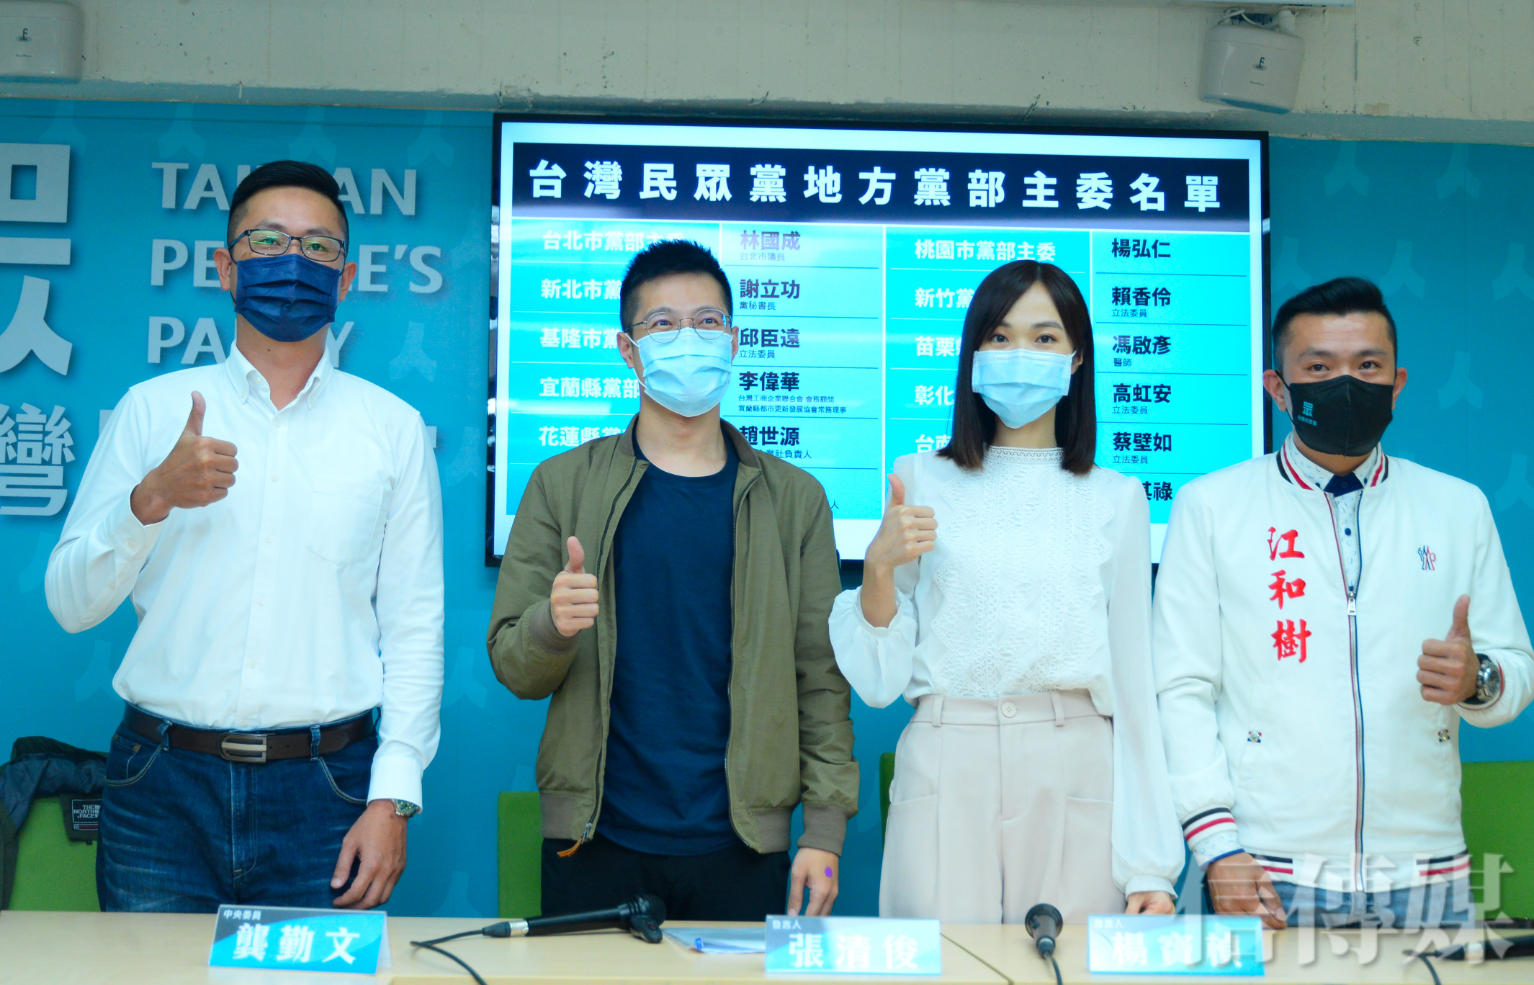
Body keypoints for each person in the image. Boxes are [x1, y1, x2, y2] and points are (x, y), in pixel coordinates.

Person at [45, 161, 444, 912]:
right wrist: (150, 499)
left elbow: (414, 629)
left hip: (328, 788)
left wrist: (393, 796)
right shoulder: (152, 409)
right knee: (149, 973)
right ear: (226, 267)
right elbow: (70, 604)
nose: (293, 261)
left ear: (346, 278)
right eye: (266, 241)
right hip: (160, 786)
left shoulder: (392, 428)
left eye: (318, 246)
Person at [486, 240, 857, 921]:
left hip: (744, 843)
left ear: (734, 342)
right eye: (663, 324)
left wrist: (824, 832)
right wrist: (552, 625)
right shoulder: (562, 485)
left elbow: (821, 677)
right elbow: (515, 666)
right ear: (629, 351)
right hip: (593, 838)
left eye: (707, 321)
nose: (689, 338)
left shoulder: (794, 499)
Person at [1155, 276, 1533, 929]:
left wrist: (1478, 679)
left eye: (1367, 366)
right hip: (1265, 869)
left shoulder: (1457, 506)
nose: (1346, 384)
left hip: (1426, 872)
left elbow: (1515, 668)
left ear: (1397, 383)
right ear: (1279, 389)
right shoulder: (1212, 506)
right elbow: (1179, 685)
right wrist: (1216, 845)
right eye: (1319, 368)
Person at [829, 260, 1183, 924]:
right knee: (942, 964)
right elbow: (878, 681)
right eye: (999, 336)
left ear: (1077, 358)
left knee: (1068, 963)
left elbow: (1135, 682)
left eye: (1044, 337)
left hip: (1076, 758)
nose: (1021, 353)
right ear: (972, 354)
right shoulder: (918, 478)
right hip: (947, 755)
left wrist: (1151, 863)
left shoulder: (1117, 496)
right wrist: (877, 568)